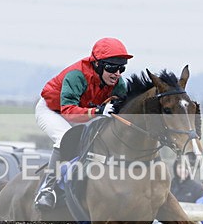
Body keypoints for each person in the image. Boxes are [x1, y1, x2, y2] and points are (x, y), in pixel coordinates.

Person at [33, 37, 132, 210]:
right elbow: (68, 112)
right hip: (53, 110)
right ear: (98, 65)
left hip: (82, 112)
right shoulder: (77, 75)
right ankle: (47, 190)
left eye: (121, 68)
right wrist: (98, 112)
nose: (117, 73)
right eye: (112, 68)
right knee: (64, 138)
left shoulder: (118, 84)